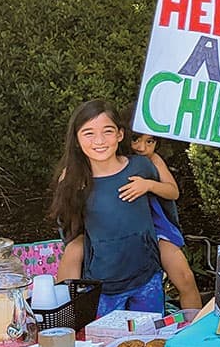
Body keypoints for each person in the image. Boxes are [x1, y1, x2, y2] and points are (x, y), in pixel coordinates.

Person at [54, 119, 201, 310]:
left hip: (154, 231)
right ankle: (64, 320)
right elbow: (65, 215)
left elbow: (173, 193)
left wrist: (148, 185)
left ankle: (196, 328)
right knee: (73, 251)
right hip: (102, 246)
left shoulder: (149, 161)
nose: (142, 147)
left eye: (150, 141)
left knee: (184, 276)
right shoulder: (83, 168)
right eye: (136, 140)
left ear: (118, 134)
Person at [48, 100, 167, 315]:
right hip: (104, 287)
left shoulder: (140, 166)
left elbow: (167, 205)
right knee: (106, 345)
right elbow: (68, 228)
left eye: (108, 131)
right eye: (88, 133)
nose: (99, 141)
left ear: (120, 134)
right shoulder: (73, 181)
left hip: (147, 278)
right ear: (76, 139)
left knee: (152, 342)